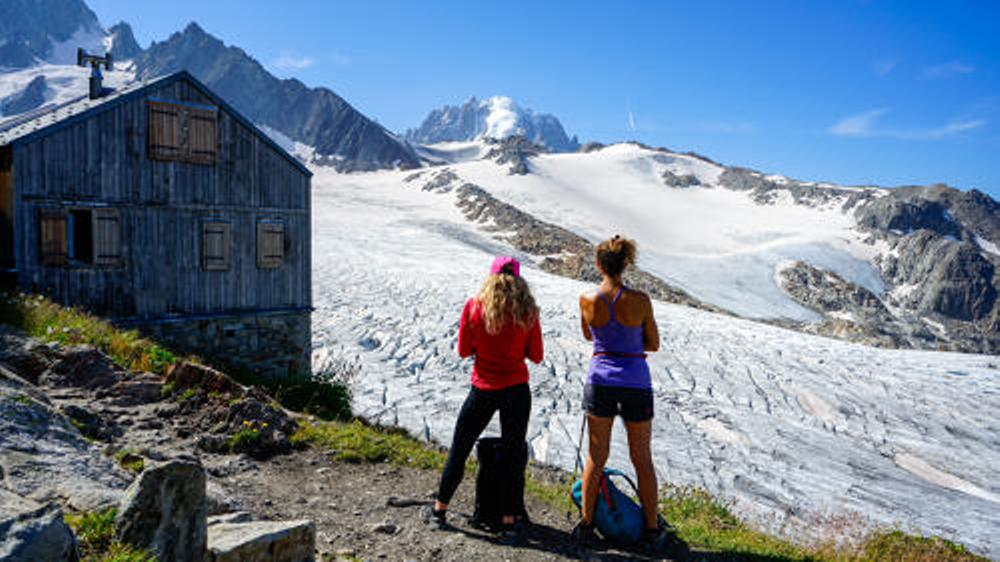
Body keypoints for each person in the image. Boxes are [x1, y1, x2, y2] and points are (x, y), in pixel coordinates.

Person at [423, 256, 543, 537]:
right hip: (516, 389)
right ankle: (509, 522)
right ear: (519, 279)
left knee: (460, 448)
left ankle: (440, 509)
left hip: (483, 388)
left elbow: (464, 350)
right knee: (513, 456)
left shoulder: (474, 307)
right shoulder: (528, 312)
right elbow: (536, 355)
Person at [573, 235, 668, 551]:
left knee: (595, 456)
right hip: (635, 382)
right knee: (642, 458)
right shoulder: (640, 301)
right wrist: (630, 343)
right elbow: (653, 343)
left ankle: (587, 526)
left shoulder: (586, 299)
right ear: (626, 264)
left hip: (600, 380)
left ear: (599, 264)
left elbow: (590, 334)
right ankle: (652, 531)